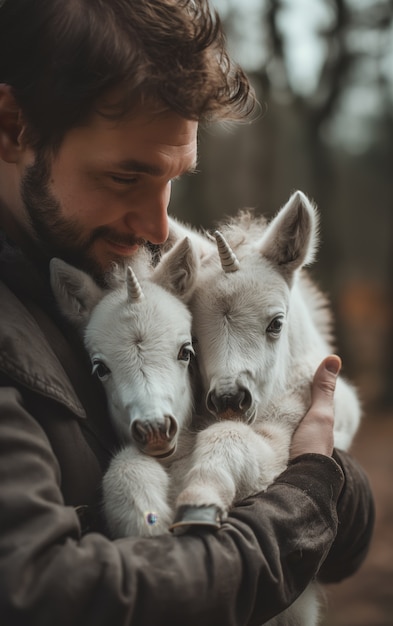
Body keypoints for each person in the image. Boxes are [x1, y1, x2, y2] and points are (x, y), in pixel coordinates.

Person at [0, 1, 374, 625]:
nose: (155, 226)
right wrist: (304, 497)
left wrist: (324, 477)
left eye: (173, 179)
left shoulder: (164, 286)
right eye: (125, 177)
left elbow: (344, 545)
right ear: (14, 126)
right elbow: (49, 595)